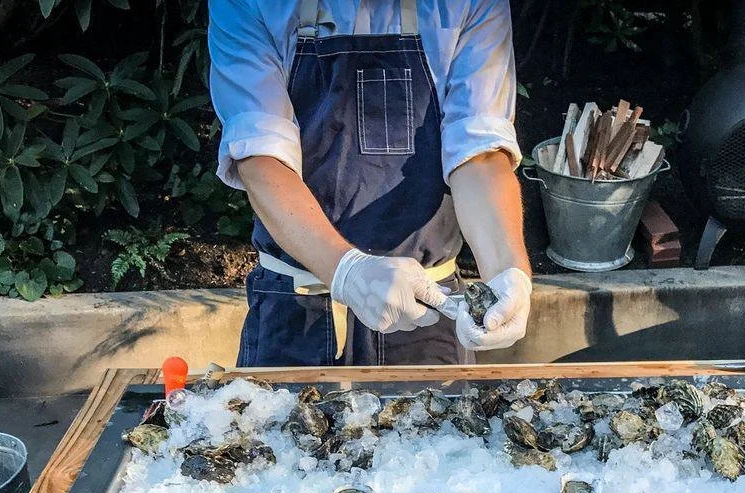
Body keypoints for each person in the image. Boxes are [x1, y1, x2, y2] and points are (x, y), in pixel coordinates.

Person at [208, 0, 532, 367]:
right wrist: (347, 271)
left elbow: (480, 152)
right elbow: (261, 159)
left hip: (430, 307)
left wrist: (508, 270)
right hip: (294, 307)